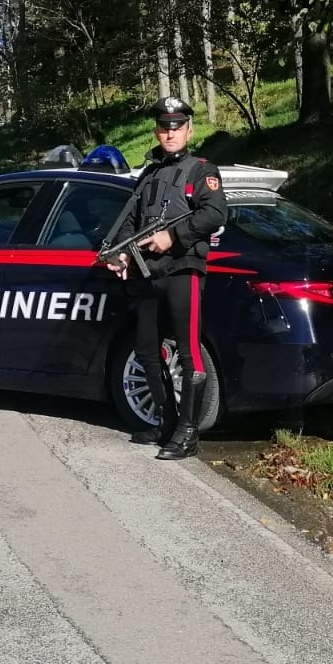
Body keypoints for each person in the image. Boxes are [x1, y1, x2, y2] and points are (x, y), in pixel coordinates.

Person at [101, 96, 228, 459]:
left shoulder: (201, 170)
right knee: (146, 351)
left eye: (176, 127)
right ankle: (166, 422)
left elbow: (215, 213)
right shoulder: (149, 174)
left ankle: (187, 433)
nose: (169, 133)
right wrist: (120, 252)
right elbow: (131, 219)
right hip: (146, 273)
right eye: (163, 127)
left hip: (182, 269)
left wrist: (173, 236)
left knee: (188, 353)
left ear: (189, 130)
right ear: (157, 131)